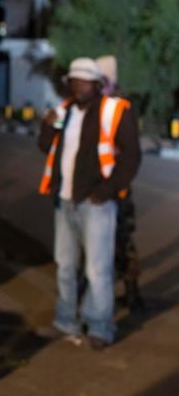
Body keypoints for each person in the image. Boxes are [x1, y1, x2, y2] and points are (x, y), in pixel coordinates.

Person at [36, 57, 141, 350]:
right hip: (65, 200)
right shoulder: (65, 111)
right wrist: (47, 126)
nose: (77, 85)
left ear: (97, 85)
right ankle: (65, 321)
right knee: (65, 266)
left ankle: (100, 327)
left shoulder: (115, 111)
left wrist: (107, 190)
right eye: (74, 80)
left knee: (97, 268)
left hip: (96, 202)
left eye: (84, 81)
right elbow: (47, 147)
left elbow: (132, 157)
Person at [96, 55, 144, 311]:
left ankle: (132, 291)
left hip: (118, 187)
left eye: (103, 82)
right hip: (95, 185)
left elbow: (129, 153)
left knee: (122, 240)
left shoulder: (119, 108)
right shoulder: (94, 106)